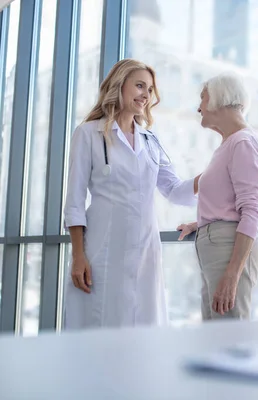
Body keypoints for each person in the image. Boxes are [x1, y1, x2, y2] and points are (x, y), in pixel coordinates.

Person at [63, 58, 200, 330]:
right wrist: (79, 256)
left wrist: (211, 177)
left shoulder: (151, 140)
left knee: (143, 324)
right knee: (100, 324)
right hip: (103, 248)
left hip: (146, 248)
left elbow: (174, 190)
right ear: (119, 85)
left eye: (149, 90)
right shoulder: (88, 134)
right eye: (139, 86)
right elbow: (75, 202)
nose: (146, 95)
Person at [177, 73, 258, 320]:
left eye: (203, 99)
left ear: (220, 99)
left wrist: (233, 274)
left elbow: (251, 210)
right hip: (217, 247)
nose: (199, 107)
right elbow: (229, 202)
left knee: (230, 339)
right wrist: (201, 223)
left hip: (229, 250)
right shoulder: (229, 145)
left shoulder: (243, 143)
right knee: (215, 338)